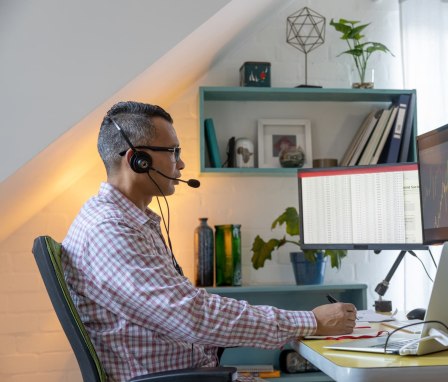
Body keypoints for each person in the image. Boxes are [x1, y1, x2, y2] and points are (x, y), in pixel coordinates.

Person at [62, 101, 357, 381]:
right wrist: (310, 322)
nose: (181, 162)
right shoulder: (111, 231)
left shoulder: (128, 221)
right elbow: (192, 316)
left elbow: (189, 308)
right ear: (138, 160)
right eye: (173, 151)